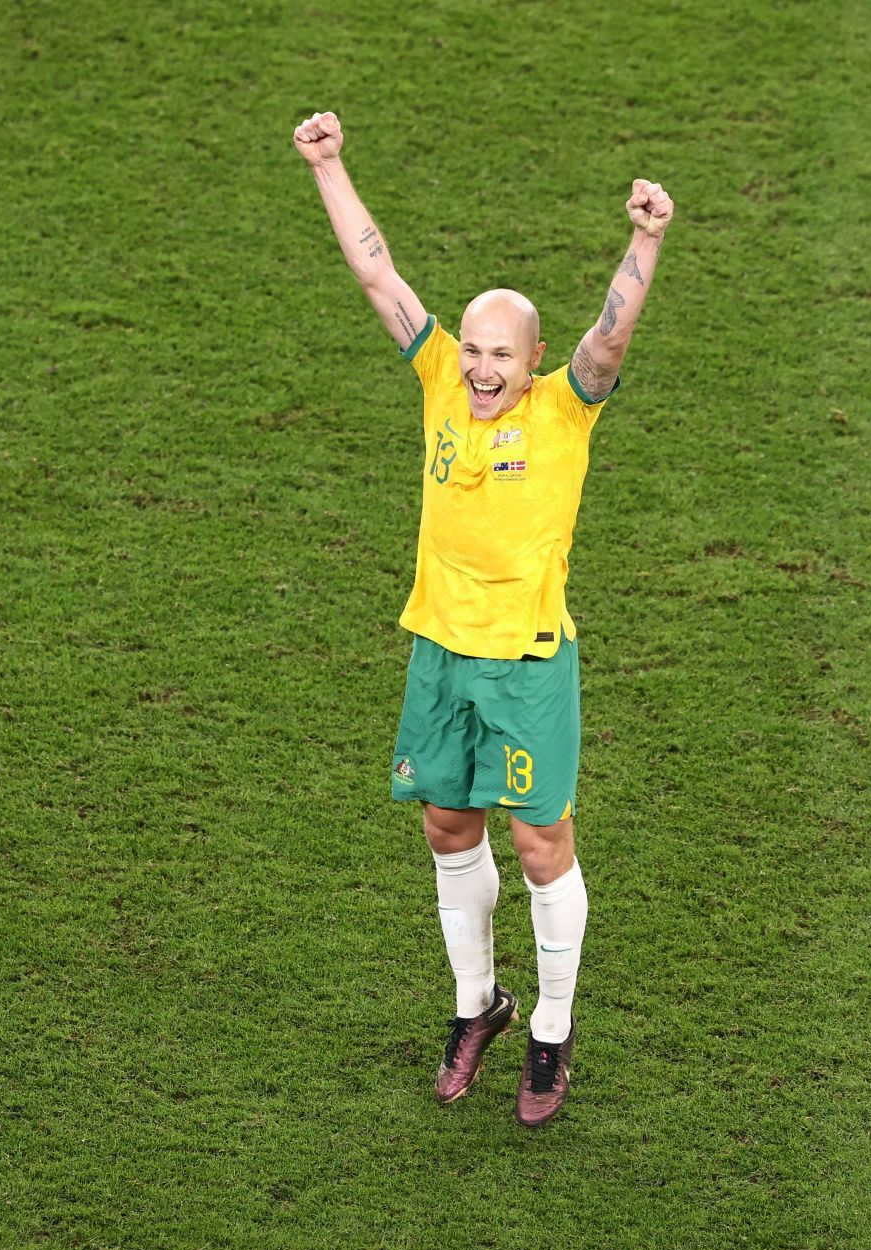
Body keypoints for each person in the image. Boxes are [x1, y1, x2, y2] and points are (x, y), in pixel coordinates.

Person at [293, 110, 672, 1127]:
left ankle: (551, 1029)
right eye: (472, 348)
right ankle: (478, 1007)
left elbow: (610, 335)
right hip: (441, 658)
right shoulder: (439, 384)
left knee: (542, 843)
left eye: (501, 353)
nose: (480, 367)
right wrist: (330, 165)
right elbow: (380, 278)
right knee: (446, 825)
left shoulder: (565, 405)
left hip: (528, 665)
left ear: (533, 355)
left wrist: (644, 240)